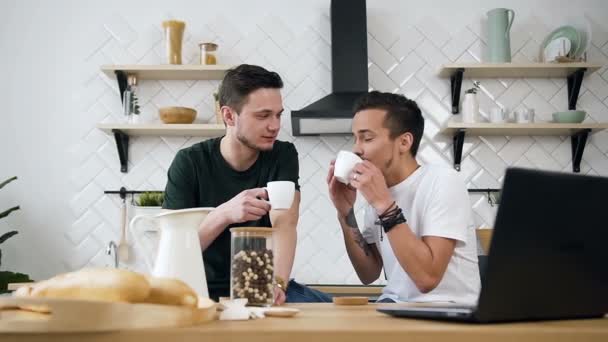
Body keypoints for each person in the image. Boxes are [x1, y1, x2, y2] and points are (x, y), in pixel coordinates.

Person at [163, 64, 330, 304]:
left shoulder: (282, 155)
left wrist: (278, 283)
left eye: (278, 114)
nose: (275, 126)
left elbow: (284, 222)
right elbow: (172, 251)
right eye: (263, 116)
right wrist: (223, 214)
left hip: (260, 286)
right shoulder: (189, 162)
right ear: (229, 116)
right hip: (199, 292)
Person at [327, 91, 480, 304]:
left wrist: (384, 205)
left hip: (447, 313)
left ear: (404, 142)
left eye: (367, 138)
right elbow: (368, 273)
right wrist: (346, 213)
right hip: (394, 307)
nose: (356, 148)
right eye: (355, 138)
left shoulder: (443, 182)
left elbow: (427, 278)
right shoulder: (378, 193)